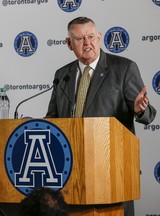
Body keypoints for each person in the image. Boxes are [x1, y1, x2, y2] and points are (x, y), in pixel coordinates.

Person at [45, 17, 157, 216]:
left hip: (112, 170)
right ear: (69, 44)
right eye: (79, 39)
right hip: (70, 171)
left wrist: (139, 109)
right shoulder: (62, 74)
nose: (87, 43)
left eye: (91, 37)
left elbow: (148, 116)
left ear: (99, 38)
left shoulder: (123, 68)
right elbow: (52, 119)